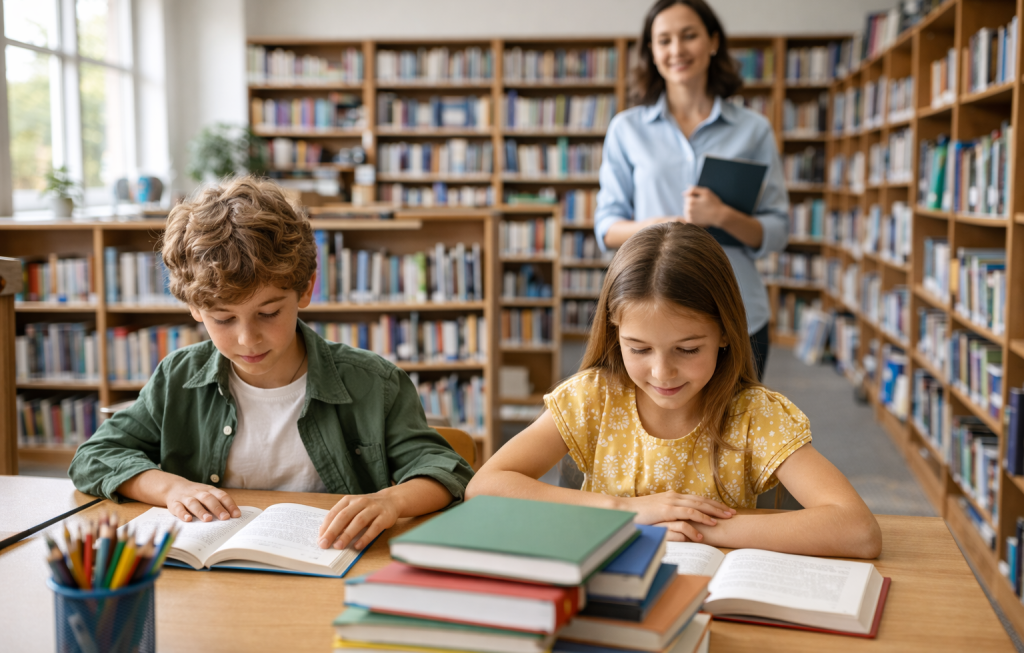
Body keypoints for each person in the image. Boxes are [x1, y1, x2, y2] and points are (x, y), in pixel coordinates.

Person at [69, 177, 473, 553]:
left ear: (305, 289)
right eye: (223, 319)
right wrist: (170, 488)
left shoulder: (374, 382)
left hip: (330, 563)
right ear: (194, 307)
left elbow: (445, 470)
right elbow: (95, 456)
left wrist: (390, 501)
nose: (248, 339)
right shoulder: (178, 377)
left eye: (268, 313)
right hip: (213, 576)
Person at [466, 223, 881, 558]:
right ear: (614, 333)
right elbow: (484, 487)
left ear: (724, 333)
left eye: (688, 349)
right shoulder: (592, 398)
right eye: (639, 349)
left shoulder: (755, 414)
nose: (662, 372)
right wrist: (627, 510)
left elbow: (858, 530)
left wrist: (695, 528)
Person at [594, 0, 788, 380]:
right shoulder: (626, 129)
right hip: (649, 316)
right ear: (651, 51)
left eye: (689, 35)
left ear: (713, 41)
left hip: (737, 314)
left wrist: (722, 215)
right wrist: (658, 228)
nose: (677, 49)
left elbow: (777, 231)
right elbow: (607, 228)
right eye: (664, 40)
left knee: (736, 420)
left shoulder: (754, 130)